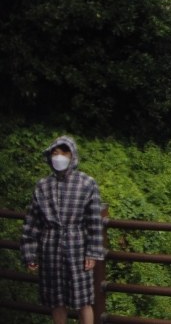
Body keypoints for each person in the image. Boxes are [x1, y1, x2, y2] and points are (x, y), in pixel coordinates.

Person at [21, 136, 104, 324]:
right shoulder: (42, 185)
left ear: (72, 155)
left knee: (83, 299)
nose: (59, 156)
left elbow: (93, 221)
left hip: (78, 245)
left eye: (64, 151)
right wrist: (29, 253)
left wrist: (92, 252)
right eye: (55, 152)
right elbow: (32, 222)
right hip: (50, 246)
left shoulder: (87, 183)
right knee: (55, 300)